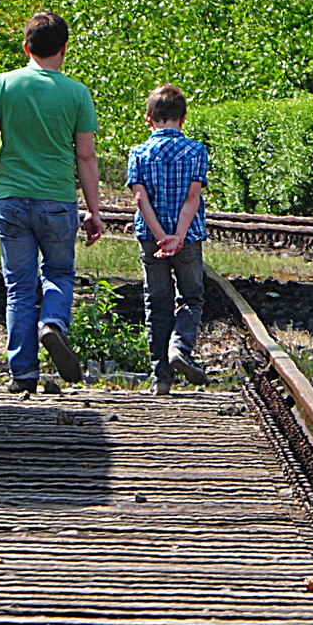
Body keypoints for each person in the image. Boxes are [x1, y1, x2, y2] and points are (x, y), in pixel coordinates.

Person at [0, 11, 105, 393]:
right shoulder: (77, 93)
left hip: (12, 199)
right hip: (58, 201)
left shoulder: (3, 84)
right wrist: (94, 210)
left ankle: (24, 374)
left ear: (26, 47)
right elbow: (85, 157)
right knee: (60, 274)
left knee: (18, 286)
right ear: (65, 49)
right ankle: (53, 323)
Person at [126, 83, 210, 396]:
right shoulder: (196, 151)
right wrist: (178, 236)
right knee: (190, 297)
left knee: (156, 303)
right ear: (183, 118)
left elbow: (139, 200)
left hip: (151, 239)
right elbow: (192, 198)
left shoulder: (138, 153)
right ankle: (180, 348)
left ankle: (160, 377)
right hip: (188, 238)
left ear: (149, 119)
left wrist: (161, 237)